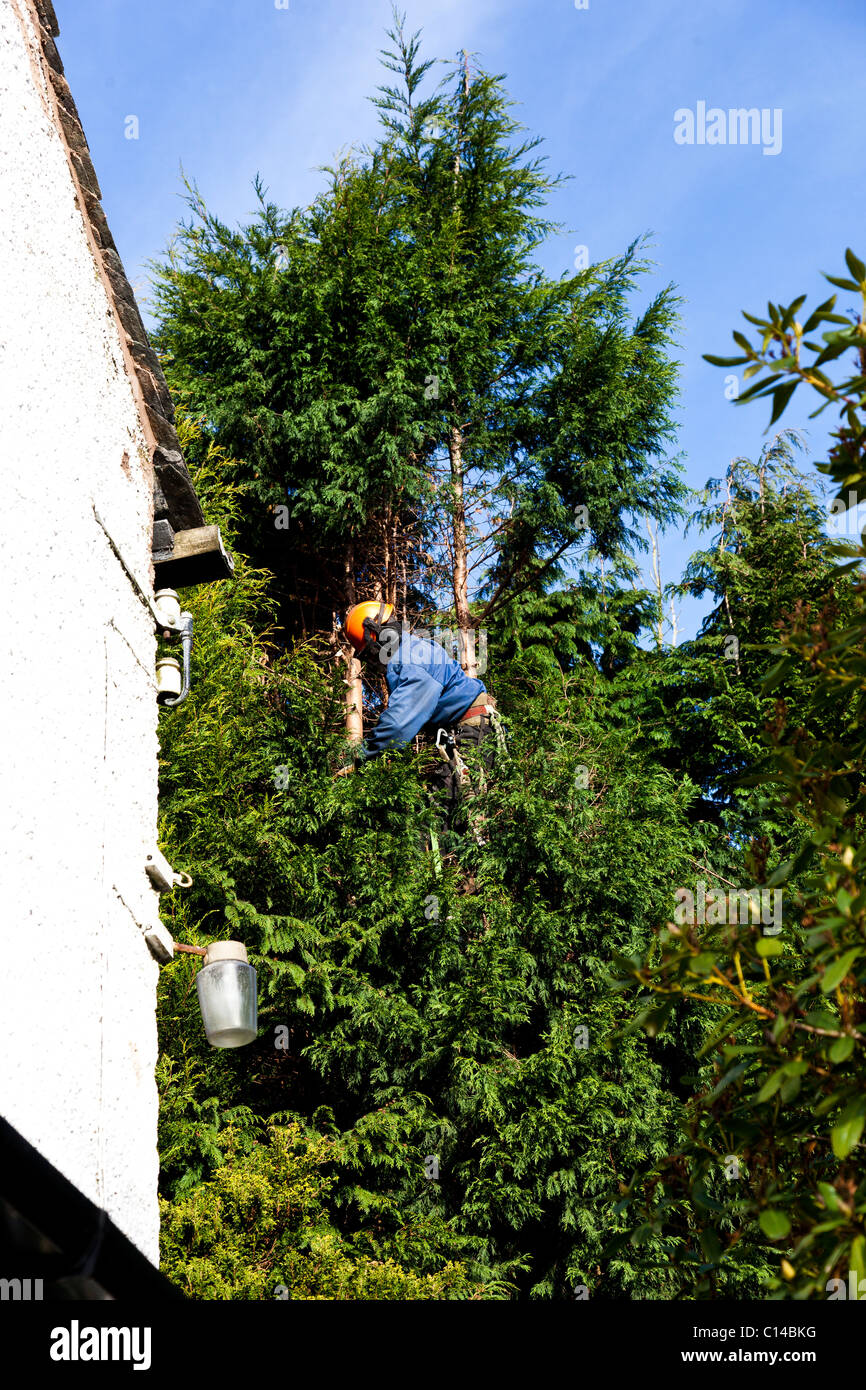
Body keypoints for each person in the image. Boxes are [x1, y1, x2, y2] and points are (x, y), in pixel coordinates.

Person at [337, 601, 501, 820]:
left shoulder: (411, 661)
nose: (372, 662)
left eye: (368, 654)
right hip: (470, 729)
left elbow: (398, 726)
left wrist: (362, 758)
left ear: (375, 638)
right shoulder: (412, 650)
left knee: (447, 818)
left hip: (472, 731)